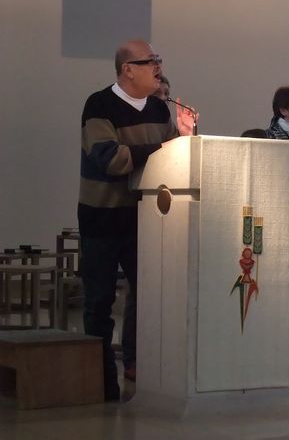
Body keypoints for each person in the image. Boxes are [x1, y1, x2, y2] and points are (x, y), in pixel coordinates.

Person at [78, 39, 192, 400]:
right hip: (102, 216)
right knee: (99, 301)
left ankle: (147, 374)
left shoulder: (159, 110)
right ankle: (101, 383)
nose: (158, 66)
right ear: (128, 69)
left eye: (158, 60)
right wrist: (162, 149)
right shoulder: (99, 105)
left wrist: (186, 139)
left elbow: (171, 160)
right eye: (150, 61)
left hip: (144, 217)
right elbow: (109, 160)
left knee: (150, 298)